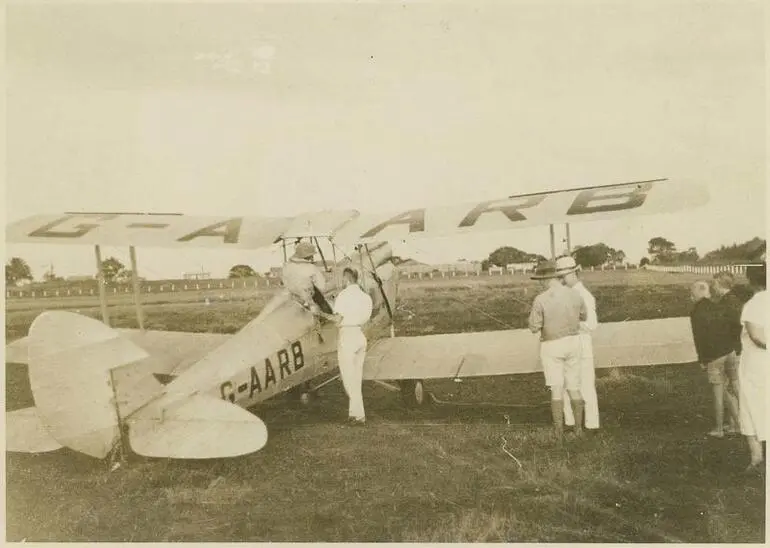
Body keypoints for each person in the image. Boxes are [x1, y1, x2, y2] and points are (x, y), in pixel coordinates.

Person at [528, 259, 588, 440]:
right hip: (574, 342)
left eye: (540, 279)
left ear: (546, 279)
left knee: (556, 388)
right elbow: (583, 316)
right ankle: (578, 430)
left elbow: (534, 327)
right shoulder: (575, 295)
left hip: (552, 345)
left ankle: (558, 431)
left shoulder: (540, 299)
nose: (539, 282)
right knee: (574, 387)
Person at [689, 280, 741, 438]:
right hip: (730, 352)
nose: (690, 296)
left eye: (692, 292)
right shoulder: (718, 305)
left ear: (700, 292)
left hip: (714, 355)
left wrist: (702, 359)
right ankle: (738, 424)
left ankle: (719, 429)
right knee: (730, 390)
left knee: (719, 392)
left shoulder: (696, 311)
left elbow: (699, 338)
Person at [557, 256, 600, 431]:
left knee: (586, 386)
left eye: (564, 275)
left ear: (574, 273)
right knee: (568, 385)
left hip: (582, 347)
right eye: (560, 276)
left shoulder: (584, 296)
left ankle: (591, 425)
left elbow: (591, 324)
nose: (561, 279)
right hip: (568, 346)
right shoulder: (565, 294)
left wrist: (569, 323)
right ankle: (571, 422)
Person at [327, 267, 374, 425]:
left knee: (348, 379)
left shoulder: (343, 296)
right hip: (360, 335)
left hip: (347, 336)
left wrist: (319, 313)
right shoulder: (366, 297)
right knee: (356, 377)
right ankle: (355, 414)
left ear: (346, 279)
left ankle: (358, 416)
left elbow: (337, 320)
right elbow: (366, 317)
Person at [738, 263, 766, 472]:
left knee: (750, 406)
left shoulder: (754, 304)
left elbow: (756, 337)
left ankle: (757, 458)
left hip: (758, 363)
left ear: (751, 281)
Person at [281, 240, 333, 315]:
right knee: (323, 303)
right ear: (309, 255)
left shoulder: (286, 266)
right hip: (306, 298)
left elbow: (285, 281)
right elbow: (322, 286)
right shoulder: (311, 268)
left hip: (291, 296)